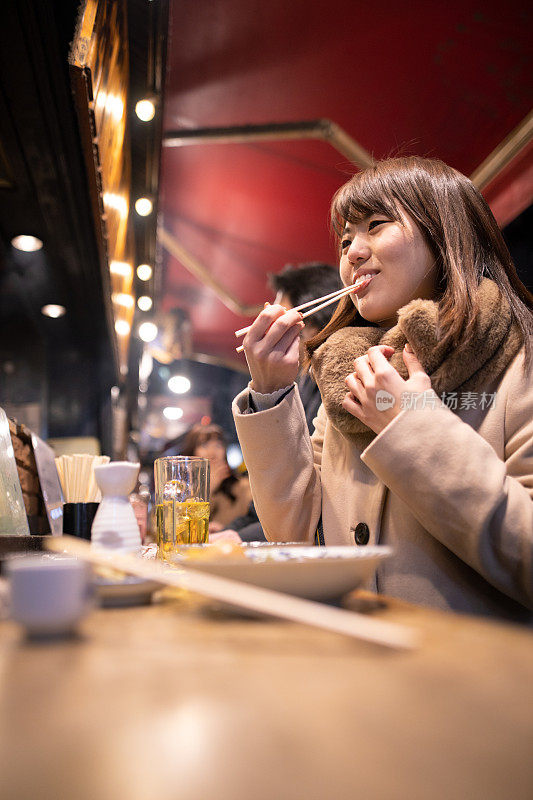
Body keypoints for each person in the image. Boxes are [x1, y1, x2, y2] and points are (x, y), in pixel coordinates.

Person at [232, 156, 533, 622]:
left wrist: (413, 424)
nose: (352, 252)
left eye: (376, 225)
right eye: (347, 238)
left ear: (444, 232)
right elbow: (294, 534)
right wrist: (270, 392)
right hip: (350, 666)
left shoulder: (521, 361)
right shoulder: (345, 372)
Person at [181, 423, 252, 528]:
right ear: (192, 452)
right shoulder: (182, 489)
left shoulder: (243, 487)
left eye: (218, 445)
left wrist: (224, 531)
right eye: (204, 445)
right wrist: (208, 489)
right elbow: (184, 528)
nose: (212, 452)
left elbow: (254, 523)